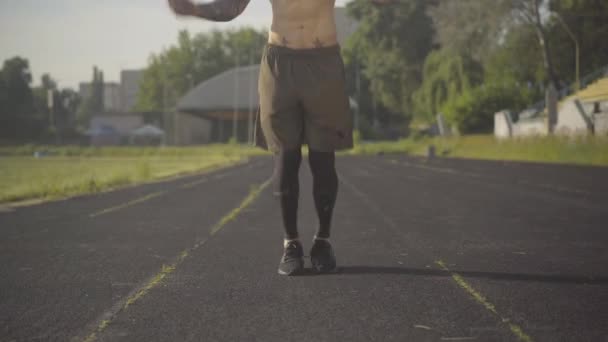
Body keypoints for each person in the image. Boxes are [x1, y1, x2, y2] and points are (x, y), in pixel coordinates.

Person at [168, 0, 391, 276]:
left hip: (323, 63)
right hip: (279, 65)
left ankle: (322, 242)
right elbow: (232, 7)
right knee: (286, 157)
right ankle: (291, 244)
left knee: (323, 160)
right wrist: (194, 10)